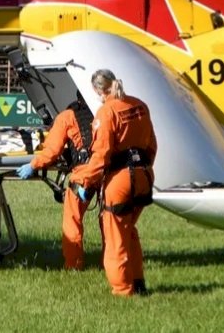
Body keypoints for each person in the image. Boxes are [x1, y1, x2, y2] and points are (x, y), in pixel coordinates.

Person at [73, 69, 157, 296]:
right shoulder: (140, 106)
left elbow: (101, 155)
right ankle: (138, 283)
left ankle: (122, 290)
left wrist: (86, 182)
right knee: (129, 230)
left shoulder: (106, 112)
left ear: (98, 90)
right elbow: (151, 147)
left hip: (120, 180)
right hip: (144, 176)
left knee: (115, 237)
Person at [16, 92, 94, 270]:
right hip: (106, 171)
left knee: (72, 220)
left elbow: (51, 151)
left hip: (83, 174)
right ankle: (111, 261)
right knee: (109, 220)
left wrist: (33, 165)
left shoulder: (67, 117)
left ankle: (74, 265)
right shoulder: (104, 113)